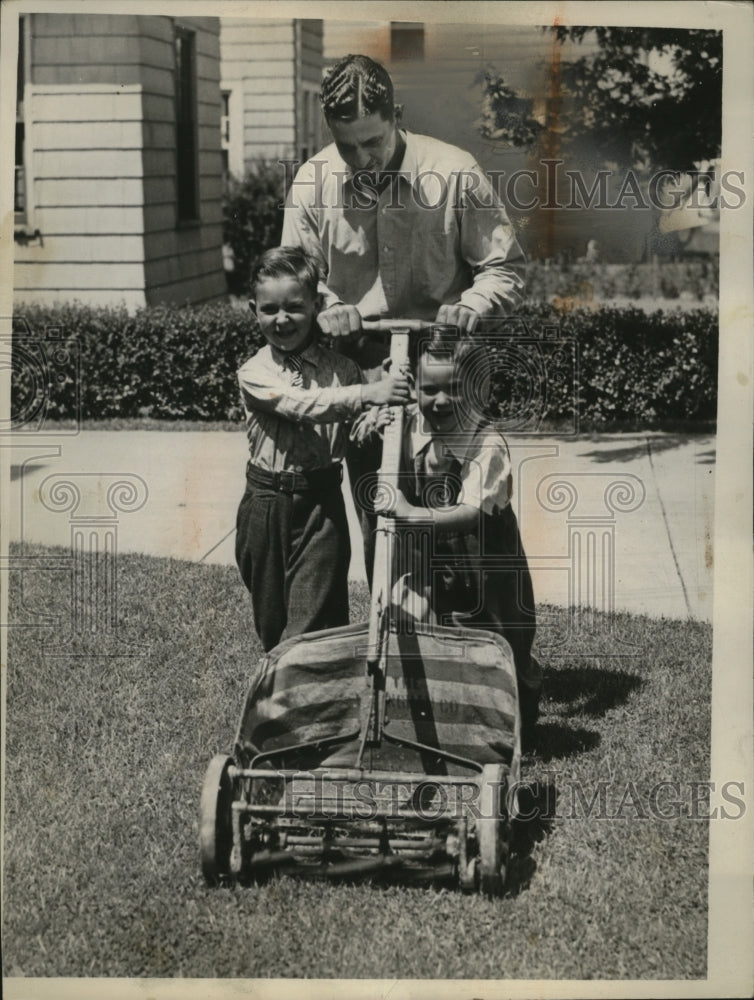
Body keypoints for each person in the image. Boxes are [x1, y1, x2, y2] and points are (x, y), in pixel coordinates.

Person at [281, 54, 526, 579]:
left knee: (472, 514)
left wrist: (470, 306)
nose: (362, 158)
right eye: (348, 146)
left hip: (447, 369)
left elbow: (504, 269)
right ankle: (396, 645)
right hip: (366, 373)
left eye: (374, 142)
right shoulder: (312, 183)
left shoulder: (454, 173)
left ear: (398, 114)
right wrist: (328, 308)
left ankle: (504, 647)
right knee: (384, 514)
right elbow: (295, 282)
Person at [235, 246, 411, 652]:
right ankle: (285, 701)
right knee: (273, 624)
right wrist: (367, 393)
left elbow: (351, 433)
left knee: (315, 623)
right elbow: (300, 407)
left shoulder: (341, 370)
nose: (282, 320)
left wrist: (378, 415)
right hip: (264, 505)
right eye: (269, 309)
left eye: (294, 308)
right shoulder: (255, 372)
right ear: (253, 310)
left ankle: (306, 706)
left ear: (316, 306)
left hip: (321, 504)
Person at [375, 329, 542, 730]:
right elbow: (391, 443)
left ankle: (520, 716)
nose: (442, 400)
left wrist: (411, 514)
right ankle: (446, 718)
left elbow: (469, 515)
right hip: (437, 563)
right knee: (427, 631)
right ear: (415, 387)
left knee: (498, 645)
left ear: (479, 390)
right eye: (430, 389)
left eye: (455, 389)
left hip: (487, 569)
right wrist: (376, 423)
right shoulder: (412, 423)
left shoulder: (488, 445)